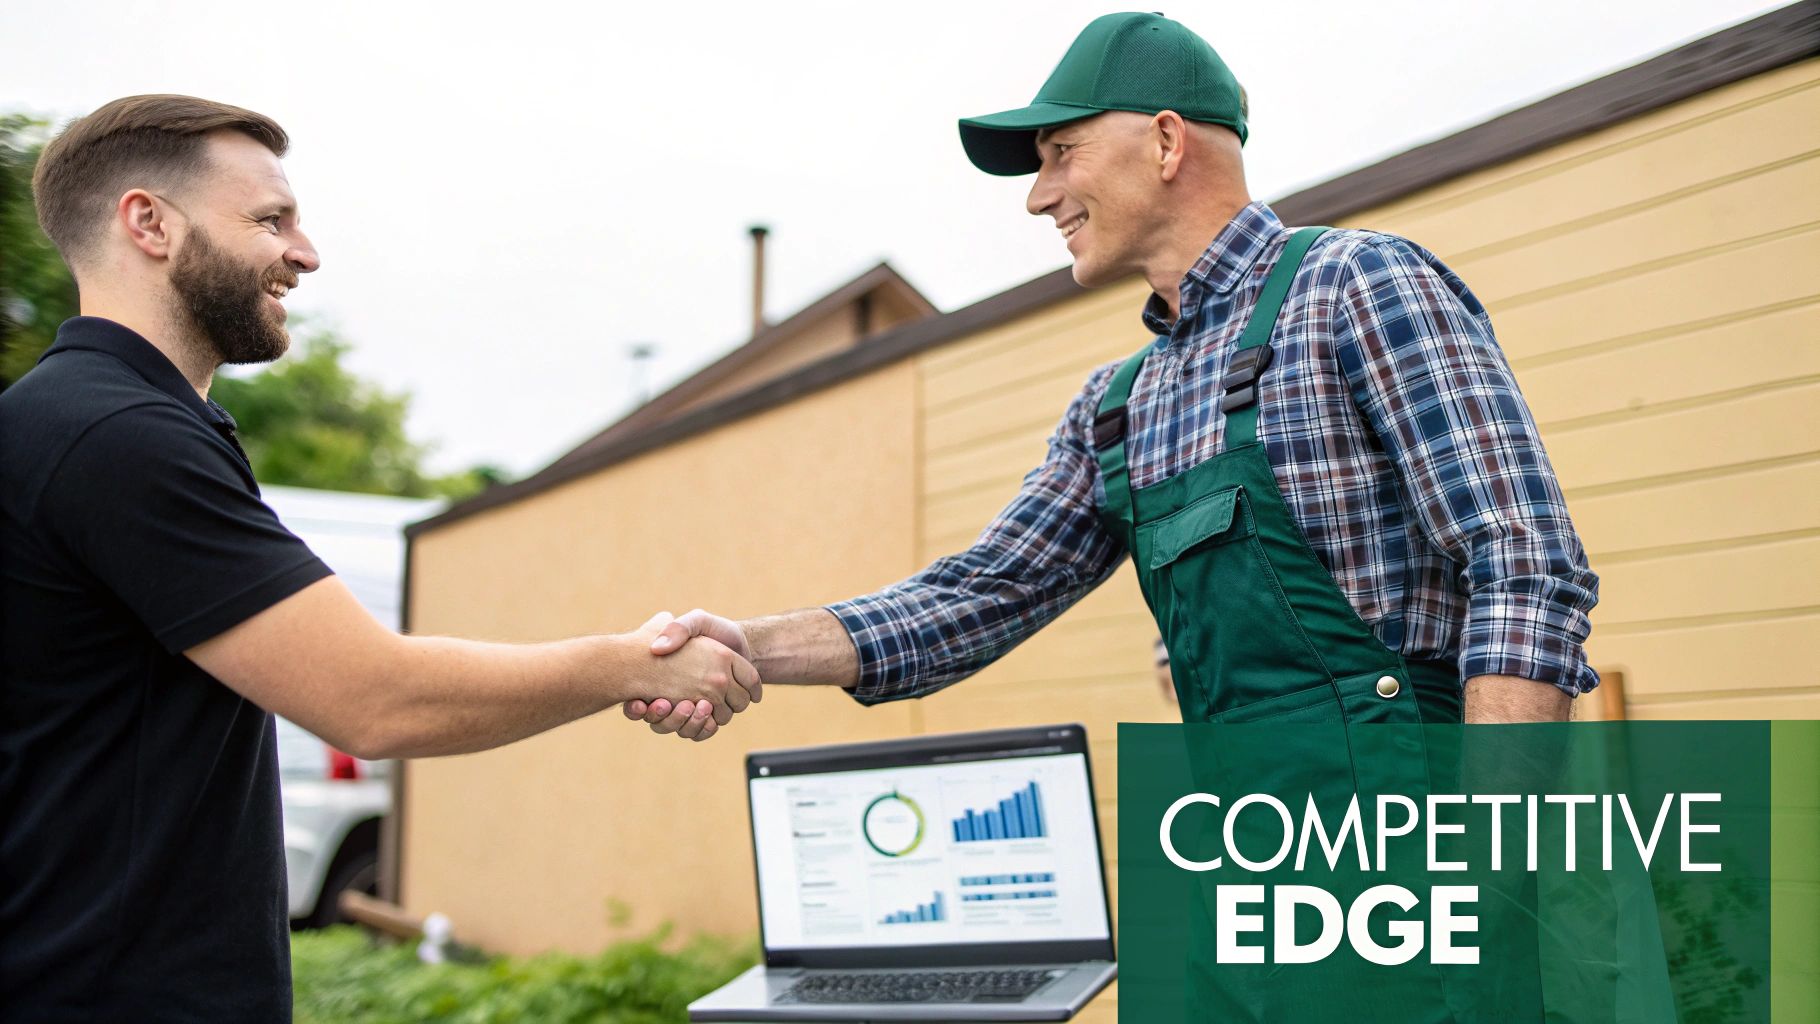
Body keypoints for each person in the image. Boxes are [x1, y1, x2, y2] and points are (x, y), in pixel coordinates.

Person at [0, 95, 758, 1021]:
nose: (305, 252)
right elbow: (375, 697)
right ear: (149, 222)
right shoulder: (116, 436)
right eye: (270, 220)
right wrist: (630, 663)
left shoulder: (73, 421)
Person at [628, 16, 1597, 736]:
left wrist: (1492, 843)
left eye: (1059, 153)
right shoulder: (1117, 408)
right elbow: (975, 596)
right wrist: (744, 646)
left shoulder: (1356, 287)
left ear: (1167, 142)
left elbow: (1522, 560)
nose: (1039, 195)